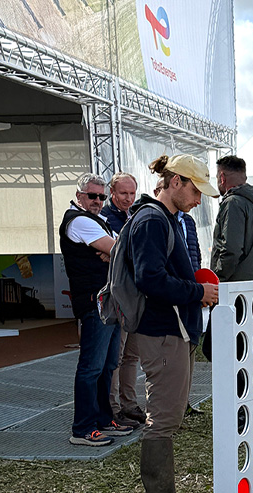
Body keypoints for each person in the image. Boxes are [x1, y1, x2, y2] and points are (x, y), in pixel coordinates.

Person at [126, 154, 220, 493]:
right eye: (196, 191)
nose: (199, 200)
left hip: (169, 328)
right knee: (164, 418)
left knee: (167, 414)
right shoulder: (153, 220)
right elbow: (150, 279)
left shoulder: (160, 218)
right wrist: (197, 292)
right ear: (176, 181)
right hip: (164, 329)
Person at [59, 174, 133, 445]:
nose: (98, 201)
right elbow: (121, 250)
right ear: (79, 196)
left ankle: (102, 419)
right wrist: (114, 252)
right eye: (92, 196)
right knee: (92, 367)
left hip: (107, 301)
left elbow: (121, 249)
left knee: (107, 365)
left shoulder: (96, 220)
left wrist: (114, 253)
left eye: (101, 197)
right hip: (94, 302)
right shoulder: (79, 220)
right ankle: (82, 428)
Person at [99, 172, 147, 428]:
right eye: (123, 193)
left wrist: (118, 252)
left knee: (131, 355)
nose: (128, 198)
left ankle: (129, 404)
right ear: (112, 193)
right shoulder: (104, 219)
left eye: (132, 193)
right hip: (118, 297)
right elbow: (118, 253)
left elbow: (133, 252)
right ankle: (113, 408)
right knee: (115, 357)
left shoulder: (135, 216)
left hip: (136, 295)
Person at [211, 155, 253, 281]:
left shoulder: (233, 203)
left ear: (222, 178)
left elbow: (231, 249)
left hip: (234, 285)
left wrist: (218, 277)